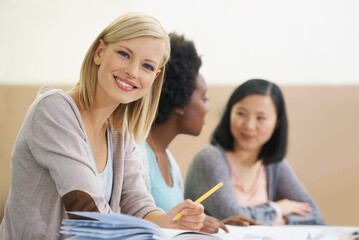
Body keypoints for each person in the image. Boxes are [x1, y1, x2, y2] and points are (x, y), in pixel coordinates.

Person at [0, 13, 205, 239]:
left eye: (147, 66)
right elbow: (88, 213)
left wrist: (167, 220)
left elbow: (137, 203)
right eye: (124, 54)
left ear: (154, 78)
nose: (133, 72)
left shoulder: (119, 130)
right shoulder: (54, 110)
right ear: (99, 52)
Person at [136, 33, 257, 233]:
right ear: (180, 102)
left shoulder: (170, 161)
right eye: (204, 98)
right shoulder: (135, 152)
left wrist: (219, 223)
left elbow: (176, 223)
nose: (207, 109)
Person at [184, 79, 325, 226]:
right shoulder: (209, 158)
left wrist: (281, 221)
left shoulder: (273, 165)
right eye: (241, 113)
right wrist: (276, 209)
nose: (249, 126)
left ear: (277, 123)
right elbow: (235, 218)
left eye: (261, 118)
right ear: (229, 113)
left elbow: (314, 216)